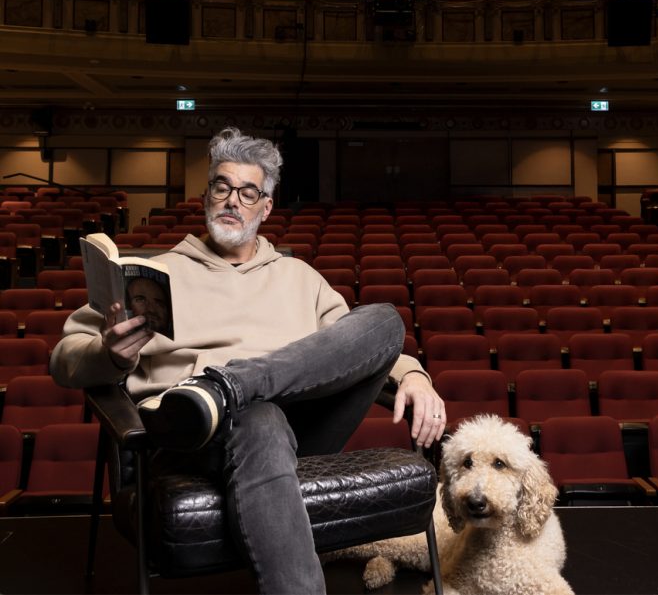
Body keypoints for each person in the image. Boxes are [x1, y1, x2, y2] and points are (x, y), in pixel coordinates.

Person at [51, 126, 446, 595]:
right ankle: (223, 396)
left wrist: (414, 375)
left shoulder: (300, 277)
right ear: (206, 196)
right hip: (189, 435)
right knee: (258, 418)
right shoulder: (155, 276)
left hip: (297, 430)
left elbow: (357, 345)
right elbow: (63, 359)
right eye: (222, 187)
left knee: (384, 321)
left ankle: (226, 386)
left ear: (266, 206)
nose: (232, 201)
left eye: (248, 192)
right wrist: (109, 354)